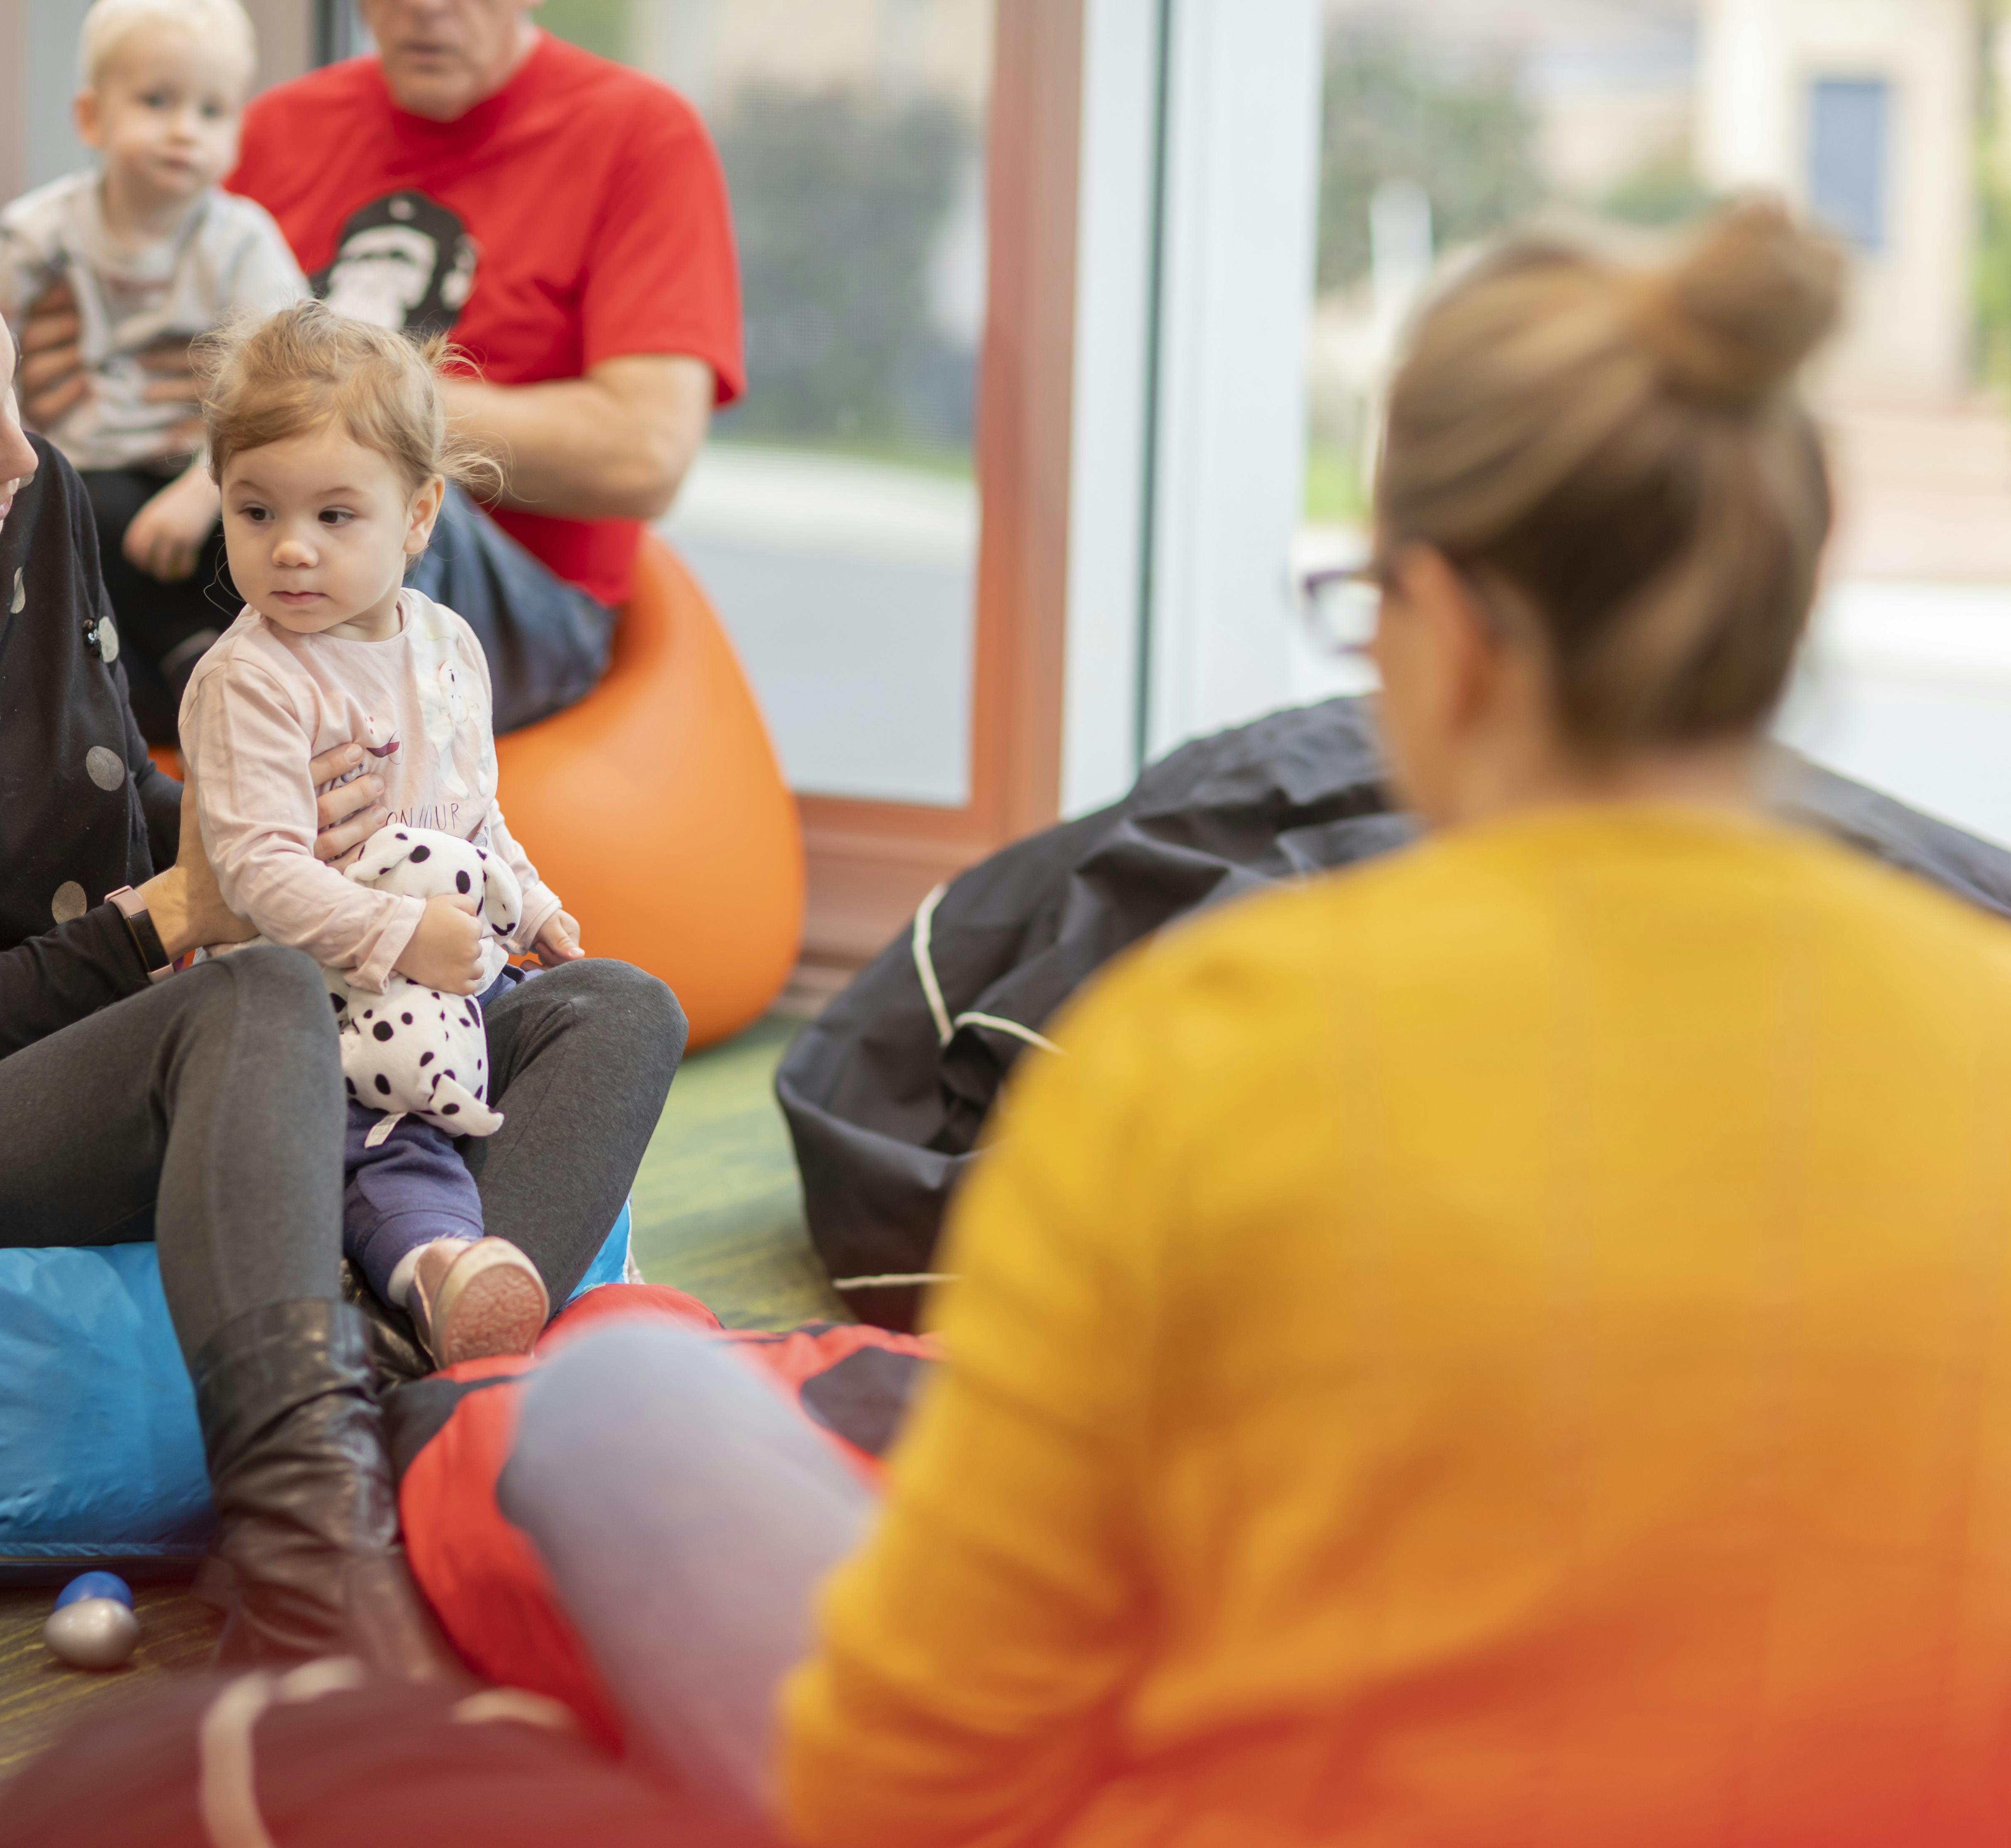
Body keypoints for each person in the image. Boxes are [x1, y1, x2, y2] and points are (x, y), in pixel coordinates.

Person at [497, 201, 2011, 1843]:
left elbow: (916, 1773)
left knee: (614, 1399)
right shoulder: (1977, 1014)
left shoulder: (1210, 1040)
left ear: (1451, 626)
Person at [0, 196, 685, 1675]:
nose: (25, 459)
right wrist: (176, 918)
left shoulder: (36, 516)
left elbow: (85, 807)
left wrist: (283, 838)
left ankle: (429, 1396)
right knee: (252, 995)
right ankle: (307, 1546)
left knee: (616, 1007)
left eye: (11, 402)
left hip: (182, 1024)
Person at [18, 0, 743, 736]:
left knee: (379, 489)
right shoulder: (271, 128)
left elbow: (645, 456)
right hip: (236, 558)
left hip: (509, 596)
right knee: (46, 526)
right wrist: (72, 364)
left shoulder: (640, 133)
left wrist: (303, 394)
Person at [181, 302, 589, 1366]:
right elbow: (257, 872)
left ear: (418, 516)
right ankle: (434, 1272)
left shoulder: (447, 643)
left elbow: (474, 806)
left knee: (614, 1011)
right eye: (255, 510)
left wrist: (533, 905)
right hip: (326, 999)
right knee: (382, 1140)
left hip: (451, 972)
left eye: (335, 515)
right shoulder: (252, 679)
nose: (290, 547)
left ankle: (499, 1259)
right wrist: (400, 936)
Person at [0, 0, 308, 744]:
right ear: (93, 117)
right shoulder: (42, 233)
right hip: (86, 468)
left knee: (257, 525)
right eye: (157, 102)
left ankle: (240, 671)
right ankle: (181, 660)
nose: (184, 130)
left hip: (206, 466)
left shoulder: (242, 241)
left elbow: (281, 377)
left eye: (212, 111)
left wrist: (203, 487)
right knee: (73, 515)